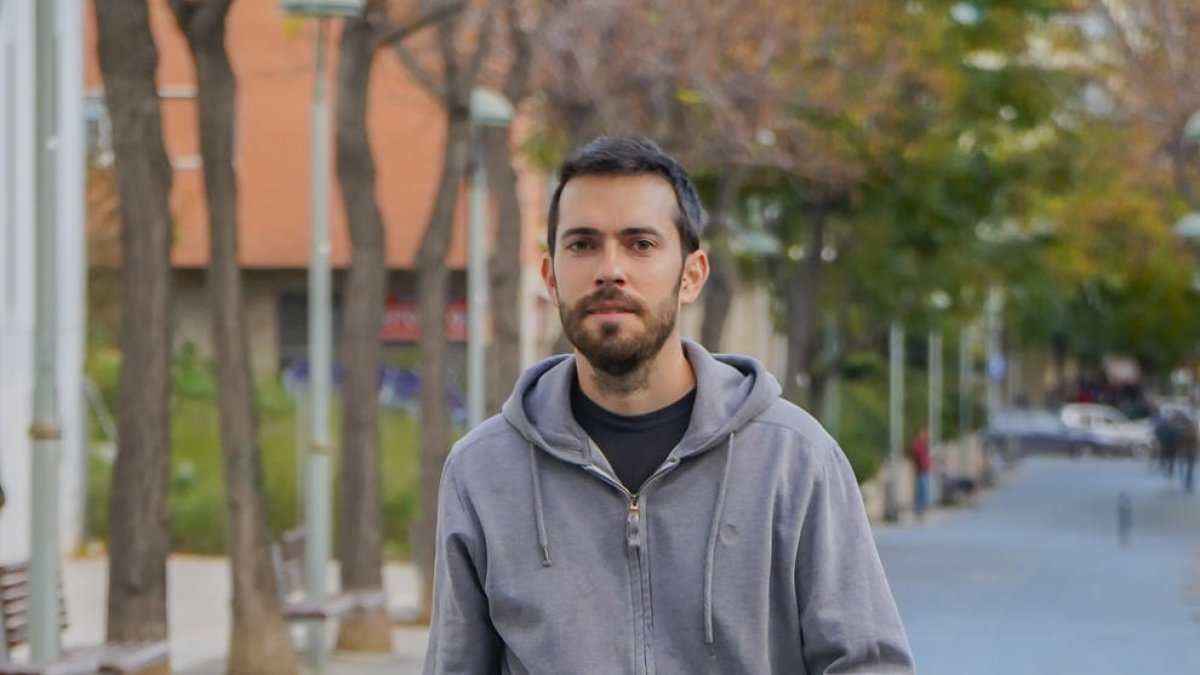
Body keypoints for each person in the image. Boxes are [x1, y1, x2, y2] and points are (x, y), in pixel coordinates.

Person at [423, 136, 913, 674]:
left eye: (641, 244)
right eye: (583, 244)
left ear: (692, 275)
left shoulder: (794, 460)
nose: (610, 269)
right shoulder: (484, 472)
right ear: (550, 277)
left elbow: (868, 663)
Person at [910, 427, 932, 520]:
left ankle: (922, 511)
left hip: (925, 471)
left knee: (925, 493)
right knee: (921, 492)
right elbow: (916, 455)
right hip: (920, 472)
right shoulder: (918, 444)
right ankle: (919, 511)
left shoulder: (924, 444)